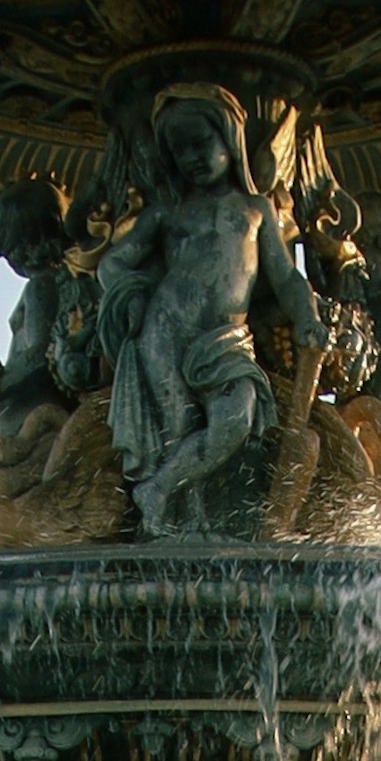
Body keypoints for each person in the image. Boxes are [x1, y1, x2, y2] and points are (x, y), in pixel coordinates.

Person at [97, 86, 327, 538]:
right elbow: (113, 261)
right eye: (179, 150)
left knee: (236, 417)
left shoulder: (255, 209)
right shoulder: (168, 213)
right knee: (178, 430)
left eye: (201, 143)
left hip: (227, 337)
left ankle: (157, 489)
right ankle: (187, 524)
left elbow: (284, 277)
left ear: (230, 139)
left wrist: (307, 316)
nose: (192, 157)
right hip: (166, 328)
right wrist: (133, 294)